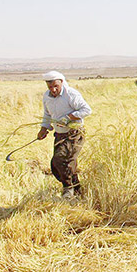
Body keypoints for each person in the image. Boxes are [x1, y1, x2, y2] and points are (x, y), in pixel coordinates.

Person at [37, 71, 92, 199]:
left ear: (61, 82)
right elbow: (47, 115)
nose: (53, 89)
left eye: (56, 86)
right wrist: (44, 129)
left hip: (74, 133)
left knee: (62, 159)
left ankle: (68, 189)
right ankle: (77, 190)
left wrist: (68, 118)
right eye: (50, 87)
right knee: (57, 165)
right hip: (59, 134)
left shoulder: (70, 94)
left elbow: (86, 110)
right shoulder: (47, 97)